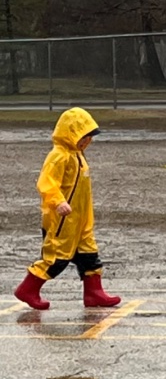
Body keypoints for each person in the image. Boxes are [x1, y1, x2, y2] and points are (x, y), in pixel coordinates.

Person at [14, 107, 121, 310]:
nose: (87, 142)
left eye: (89, 138)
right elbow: (46, 182)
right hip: (61, 219)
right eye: (84, 137)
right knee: (57, 257)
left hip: (81, 219)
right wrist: (58, 201)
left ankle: (94, 293)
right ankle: (28, 288)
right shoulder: (59, 156)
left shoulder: (77, 155)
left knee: (90, 256)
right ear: (71, 135)